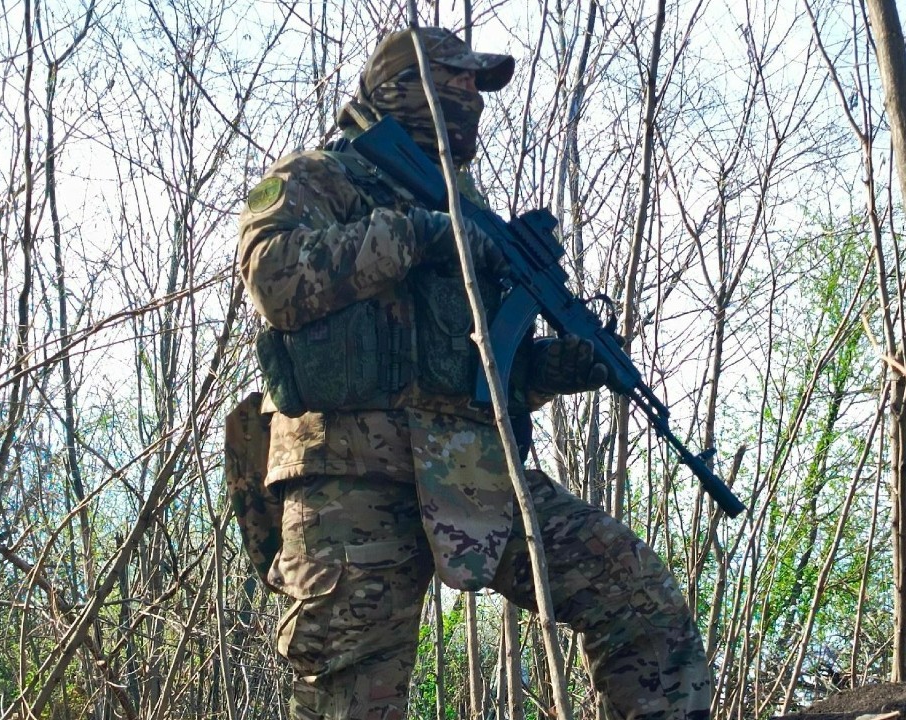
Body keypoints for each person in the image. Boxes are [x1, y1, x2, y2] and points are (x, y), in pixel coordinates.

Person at [233, 25, 713, 720]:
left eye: (475, 86)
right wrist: (424, 234)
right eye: (454, 81)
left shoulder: (469, 207)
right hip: (350, 478)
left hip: (473, 472)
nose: (470, 98)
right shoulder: (319, 176)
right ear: (400, 88)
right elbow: (274, 279)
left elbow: (485, 368)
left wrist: (561, 366)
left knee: (633, 592)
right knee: (349, 692)